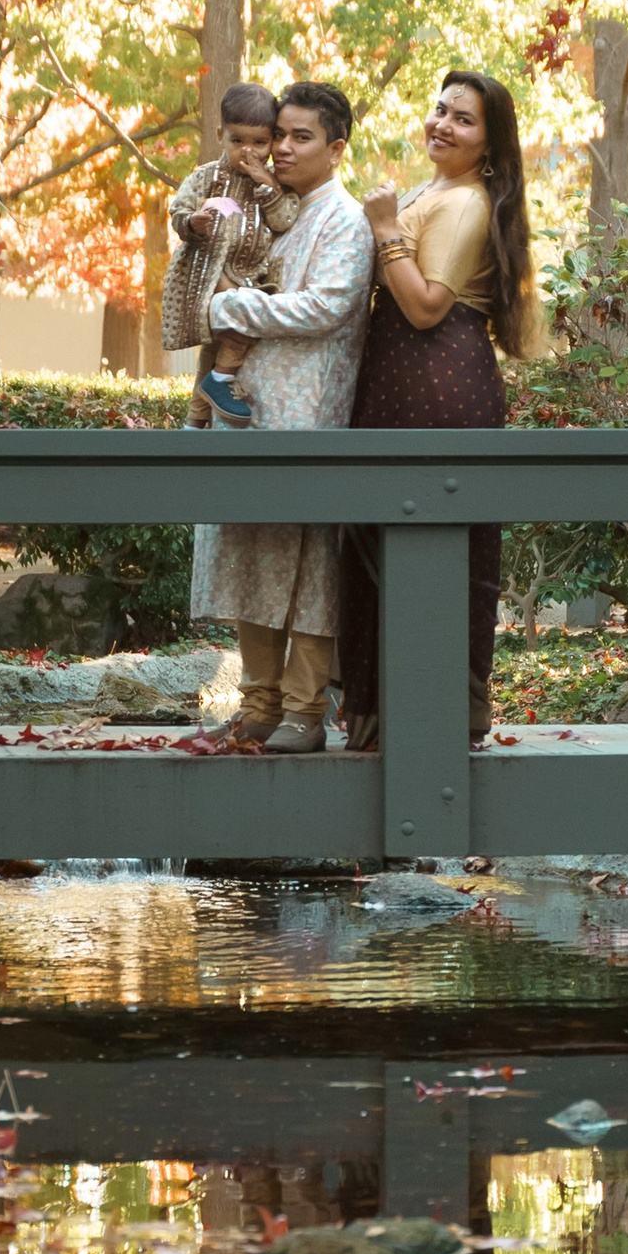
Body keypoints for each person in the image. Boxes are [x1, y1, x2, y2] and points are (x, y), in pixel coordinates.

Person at [337, 66, 539, 750]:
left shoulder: (468, 202)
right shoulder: (437, 189)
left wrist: (386, 224)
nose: (442, 124)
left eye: (462, 119)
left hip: (437, 380)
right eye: (439, 109)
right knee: (374, 539)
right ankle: (378, 717)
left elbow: (425, 306)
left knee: (443, 548)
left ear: (489, 142)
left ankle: (444, 719)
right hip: (400, 379)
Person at [187, 82, 375, 754]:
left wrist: (226, 309)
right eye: (280, 135)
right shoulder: (270, 211)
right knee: (249, 556)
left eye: (302, 137)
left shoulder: (343, 220)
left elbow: (323, 308)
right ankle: (258, 703)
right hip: (247, 409)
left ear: (336, 148)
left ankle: (303, 708)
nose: (284, 148)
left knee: (310, 566)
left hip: (310, 413)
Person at [161, 84, 299, 427]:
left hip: (249, 275)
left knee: (216, 346)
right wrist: (192, 222)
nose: (247, 151)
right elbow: (179, 207)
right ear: (221, 135)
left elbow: (284, 219)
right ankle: (221, 382)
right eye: (238, 141)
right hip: (209, 272)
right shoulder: (207, 176)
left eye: (259, 143)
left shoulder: (273, 182)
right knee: (239, 327)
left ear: (271, 141)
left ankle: (196, 419)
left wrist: (266, 185)